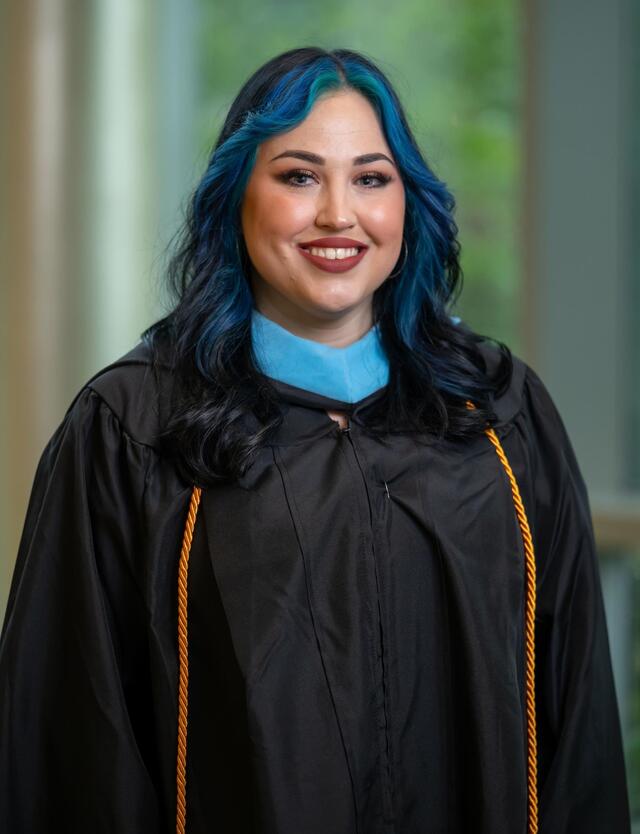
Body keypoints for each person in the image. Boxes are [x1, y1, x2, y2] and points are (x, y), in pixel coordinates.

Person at [0, 46, 631, 834]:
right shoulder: (136, 427)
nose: (339, 214)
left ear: (408, 203)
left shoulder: (497, 415)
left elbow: (576, 724)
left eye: (372, 178)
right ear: (237, 198)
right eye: (298, 176)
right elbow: (73, 738)